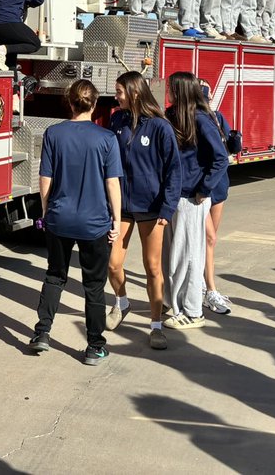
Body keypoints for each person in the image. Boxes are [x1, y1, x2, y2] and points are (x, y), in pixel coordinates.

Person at [29, 79, 123, 366]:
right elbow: (112, 184)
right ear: (94, 105)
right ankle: (94, 345)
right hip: (94, 222)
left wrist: (47, 212)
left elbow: (45, 178)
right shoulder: (106, 139)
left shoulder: (53, 134)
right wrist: (116, 220)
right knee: (94, 286)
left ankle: (42, 333)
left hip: (60, 217)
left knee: (55, 276)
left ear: (69, 103)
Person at [107, 71, 182, 350]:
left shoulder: (160, 127)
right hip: (122, 207)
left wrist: (168, 206)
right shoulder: (117, 120)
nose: (116, 97)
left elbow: (174, 170)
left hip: (152, 208)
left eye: (119, 92)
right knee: (113, 264)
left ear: (135, 93)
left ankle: (155, 325)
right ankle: (122, 302)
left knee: (152, 268)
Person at [162, 72, 228, 331]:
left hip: (191, 197)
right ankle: (173, 303)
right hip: (172, 196)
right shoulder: (171, 116)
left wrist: (204, 189)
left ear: (181, 90)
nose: (168, 91)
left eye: (171, 88)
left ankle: (192, 311)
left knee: (189, 256)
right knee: (173, 255)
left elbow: (221, 158)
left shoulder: (201, 119)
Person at [198, 78, 233, 316]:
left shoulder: (218, 118)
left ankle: (205, 285)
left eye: (207, 98)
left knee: (210, 240)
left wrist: (234, 142)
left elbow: (228, 149)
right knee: (206, 236)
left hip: (219, 187)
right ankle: (208, 288)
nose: (206, 102)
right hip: (201, 189)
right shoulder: (191, 121)